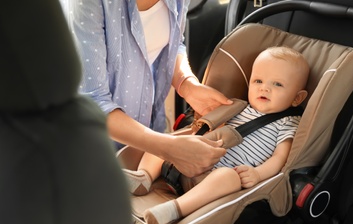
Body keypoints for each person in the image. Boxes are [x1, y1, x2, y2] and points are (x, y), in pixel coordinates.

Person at [126, 46, 310, 224]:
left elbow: (280, 158)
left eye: (277, 84)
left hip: (216, 181)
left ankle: (174, 209)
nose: (265, 88)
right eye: (258, 80)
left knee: (229, 177)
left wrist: (258, 174)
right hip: (193, 158)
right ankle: (144, 177)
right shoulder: (239, 107)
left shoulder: (288, 123)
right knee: (165, 142)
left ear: (297, 98)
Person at [65, 0, 233, 177]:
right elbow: (93, 104)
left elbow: (173, 44)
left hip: (145, 131)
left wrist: (187, 84)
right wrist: (168, 148)